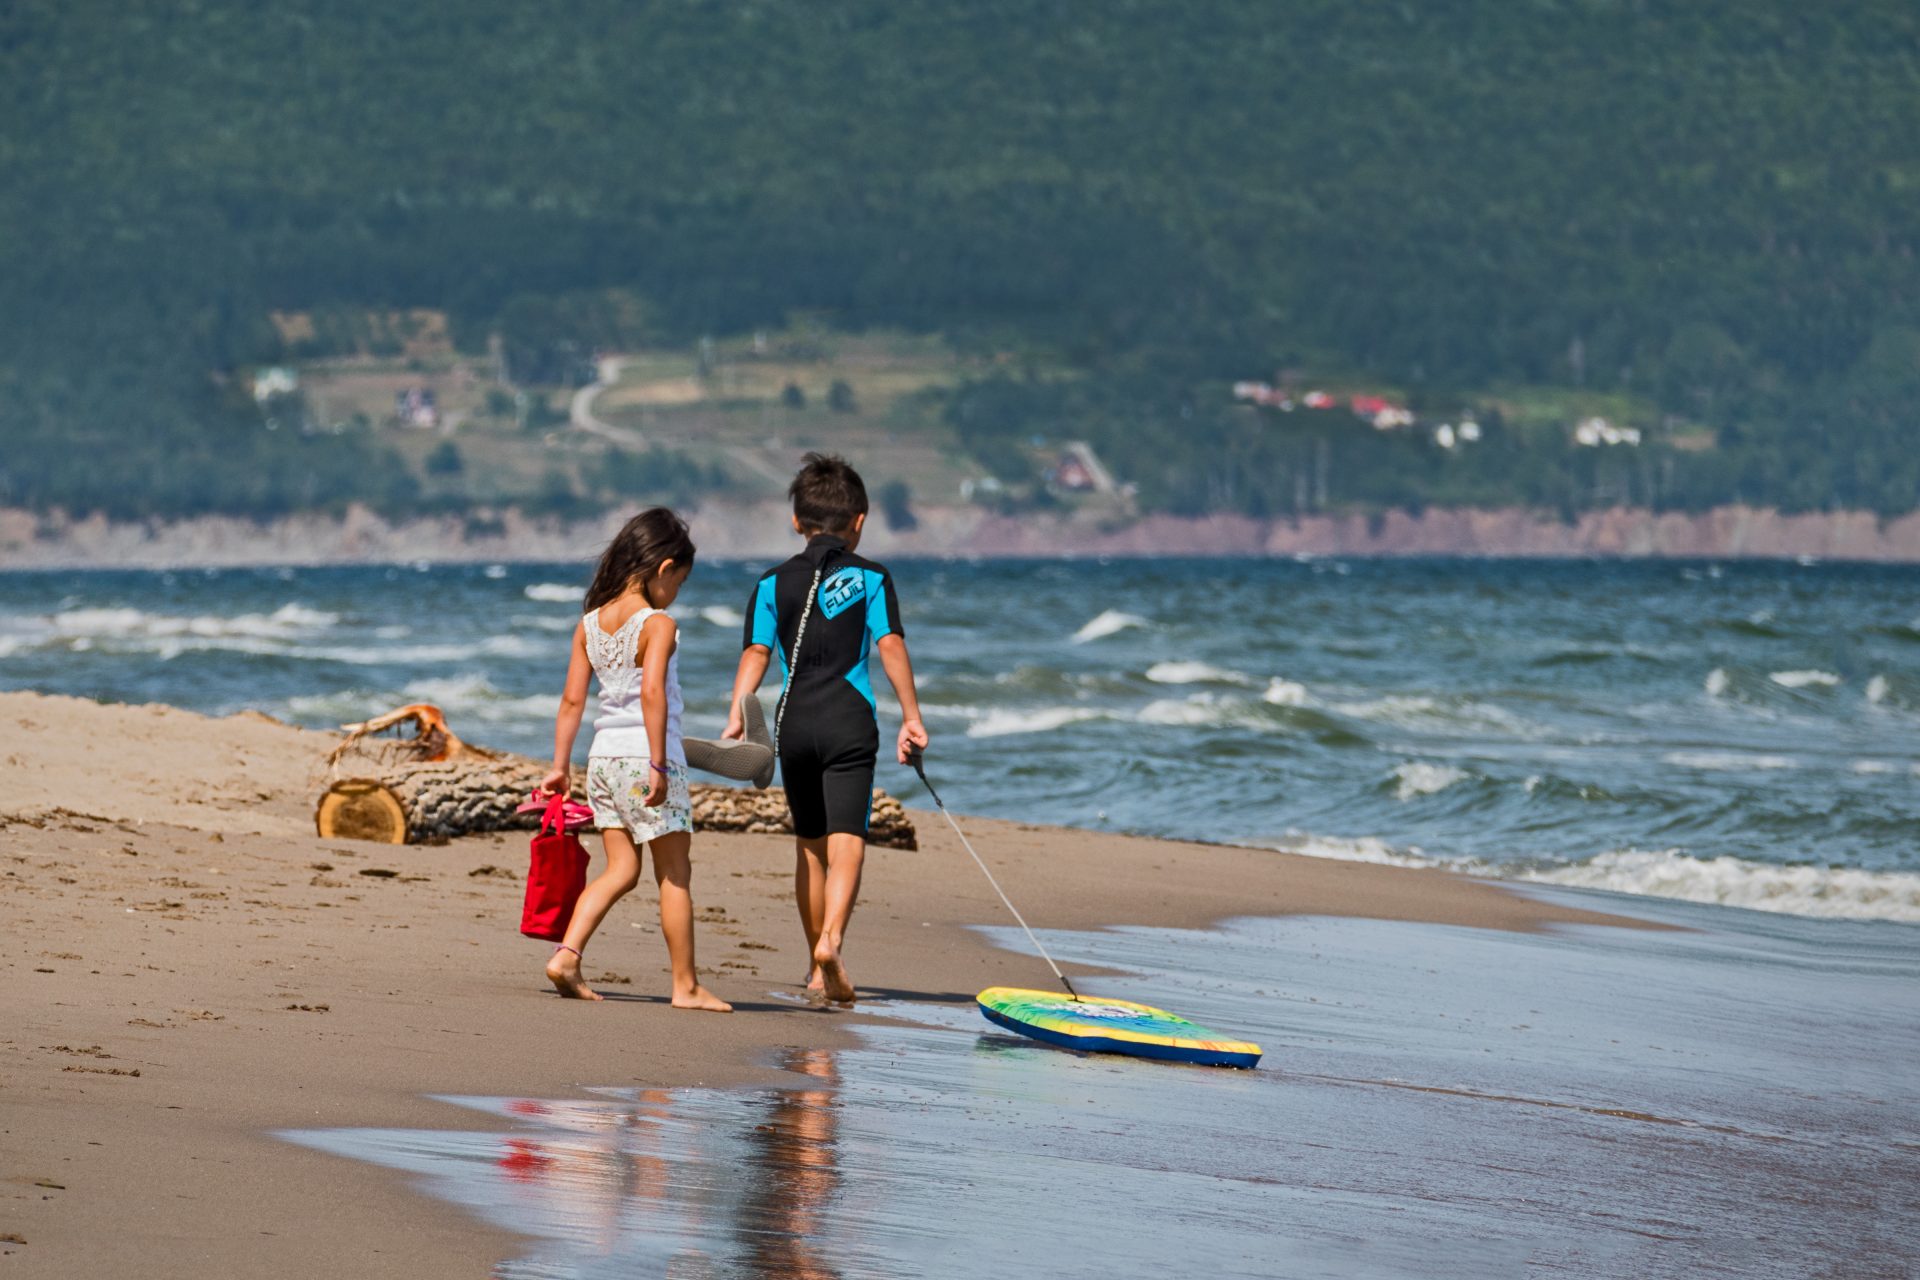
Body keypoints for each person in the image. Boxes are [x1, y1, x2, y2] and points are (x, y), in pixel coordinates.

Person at [724, 453, 929, 1004]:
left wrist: (737, 713)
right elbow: (890, 647)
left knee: (809, 848)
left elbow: (756, 654)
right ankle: (831, 944)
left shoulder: (771, 582)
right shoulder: (870, 577)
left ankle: (815, 965)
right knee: (848, 843)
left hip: (793, 725)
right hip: (848, 721)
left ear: (797, 521)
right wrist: (912, 718)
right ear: (859, 520)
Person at [540, 508, 731, 1011]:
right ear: (663, 568)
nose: (677, 592)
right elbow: (652, 694)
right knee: (675, 874)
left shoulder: (589, 624)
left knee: (621, 869)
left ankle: (567, 955)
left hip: (601, 761)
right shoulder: (658, 623)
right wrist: (660, 765)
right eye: (680, 581)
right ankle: (685, 985)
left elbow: (571, 702)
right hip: (645, 759)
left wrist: (559, 766)